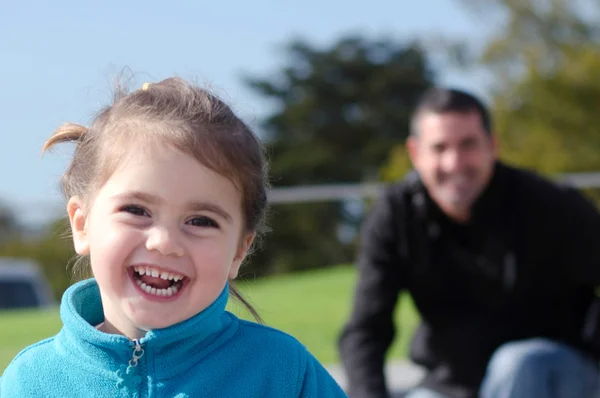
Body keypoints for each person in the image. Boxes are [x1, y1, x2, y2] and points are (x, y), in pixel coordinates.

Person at [0, 77, 347, 398]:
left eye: (200, 220)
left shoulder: (282, 372)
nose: (164, 242)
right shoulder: (30, 382)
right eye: (137, 210)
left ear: (240, 250)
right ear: (82, 223)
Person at [338, 87, 600, 398]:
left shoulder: (550, 204)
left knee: (518, 364)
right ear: (415, 153)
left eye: (468, 145)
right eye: (439, 148)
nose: (454, 163)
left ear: (492, 146)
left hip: (557, 372)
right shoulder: (396, 214)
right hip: (453, 381)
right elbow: (366, 329)